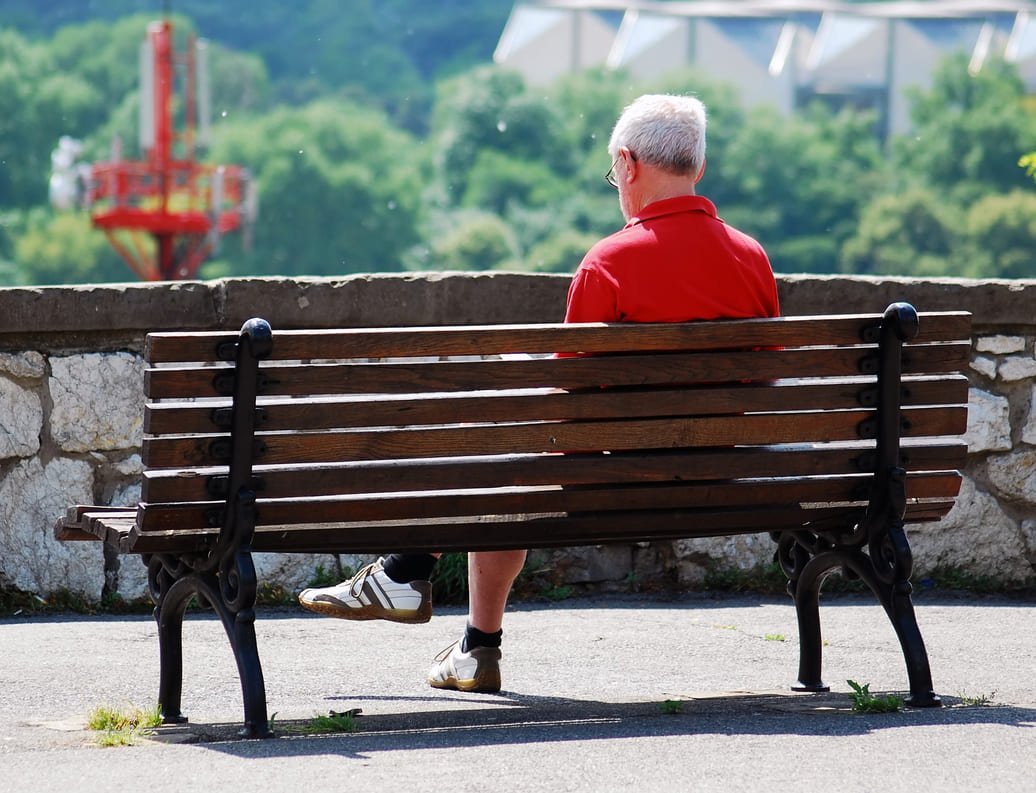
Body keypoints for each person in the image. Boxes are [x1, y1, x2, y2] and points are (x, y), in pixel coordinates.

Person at [299, 93, 779, 694]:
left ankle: (410, 576)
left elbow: (566, 398)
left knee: (503, 446)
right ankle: (467, 644)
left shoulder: (609, 262)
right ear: (698, 169)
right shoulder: (752, 259)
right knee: (512, 447)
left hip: (618, 484)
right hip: (723, 480)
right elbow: (762, 381)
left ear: (628, 163)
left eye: (614, 172)